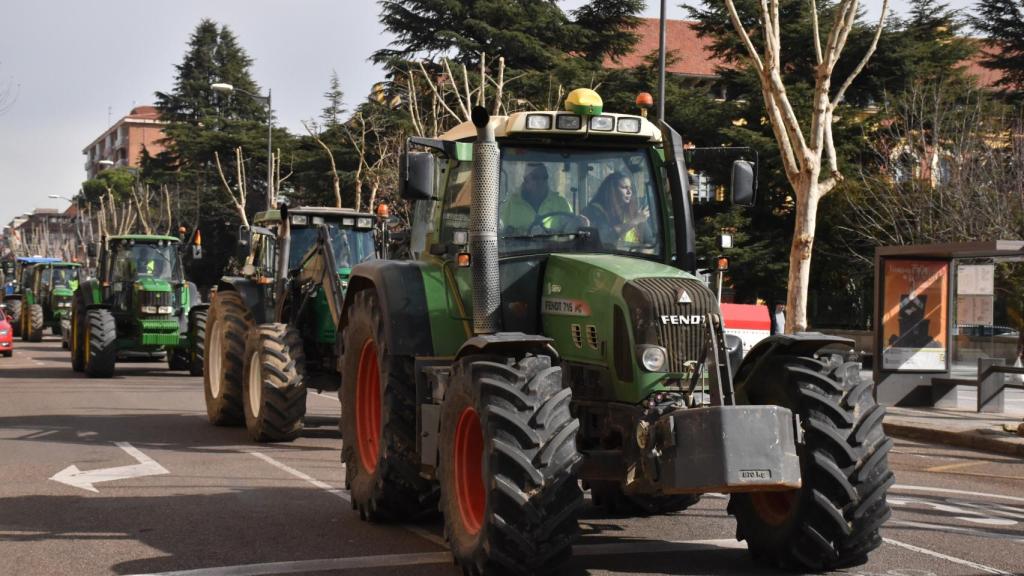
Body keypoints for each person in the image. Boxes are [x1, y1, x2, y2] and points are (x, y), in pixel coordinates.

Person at [500, 163, 573, 234]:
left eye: (544, 177)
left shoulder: (561, 203)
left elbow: (571, 230)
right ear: (526, 180)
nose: (541, 181)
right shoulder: (512, 204)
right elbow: (503, 232)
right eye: (535, 177)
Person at [583, 171, 650, 246]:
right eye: (624, 187)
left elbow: (649, 242)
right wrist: (635, 221)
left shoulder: (635, 211)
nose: (629, 192)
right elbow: (605, 237)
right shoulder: (594, 211)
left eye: (630, 188)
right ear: (612, 189)